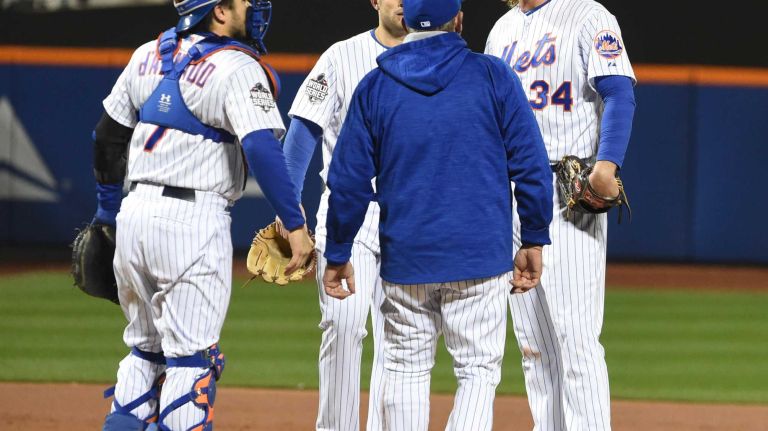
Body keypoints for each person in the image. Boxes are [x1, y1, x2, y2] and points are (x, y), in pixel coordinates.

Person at [321, 0, 554, 429]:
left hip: (407, 258)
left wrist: (337, 252)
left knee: (406, 370)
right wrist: (534, 236)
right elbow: (532, 166)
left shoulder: (376, 84)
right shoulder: (492, 75)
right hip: (480, 257)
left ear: (407, 21)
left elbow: (348, 181)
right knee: (477, 373)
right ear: (459, 20)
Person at [93, 0, 313, 429]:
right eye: (246, 2)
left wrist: (105, 214)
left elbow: (106, 135)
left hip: (133, 214)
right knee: (192, 362)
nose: (257, 9)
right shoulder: (237, 66)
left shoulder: (148, 54)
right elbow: (262, 148)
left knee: (144, 351)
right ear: (218, 12)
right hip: (191, 224)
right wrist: (295, 221)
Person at [485, 1, 637, 430]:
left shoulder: (590, 15)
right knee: (533, 347)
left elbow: (619, 91)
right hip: (513, 191)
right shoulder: (502, 30)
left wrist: (607, 164)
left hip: (568, 191)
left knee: (575, 338)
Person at [281, 1, 406, 429]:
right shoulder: (340, 57)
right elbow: (303, 129)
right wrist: (289, 204)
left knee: (402, 341)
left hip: (412, 217)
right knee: (342, 322)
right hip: (348, 215)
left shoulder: (440, 56)